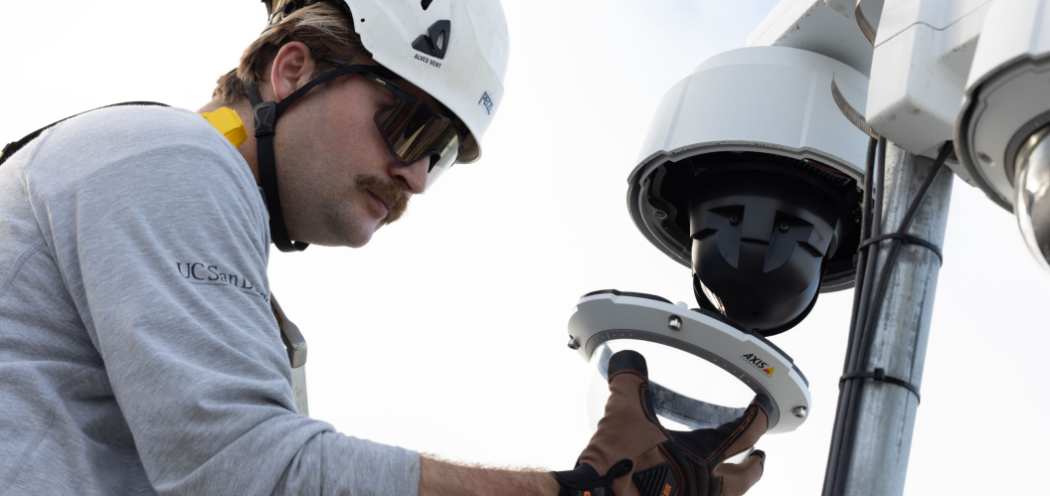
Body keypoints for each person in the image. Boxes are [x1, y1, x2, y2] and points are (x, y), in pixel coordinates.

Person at [0, 1, 768, 494]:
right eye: (410, 128)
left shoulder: (207, 240)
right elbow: (254, 474)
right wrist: (572, 492)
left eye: (442, 155)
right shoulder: (171, 157)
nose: (418, 178)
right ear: (292, 68)